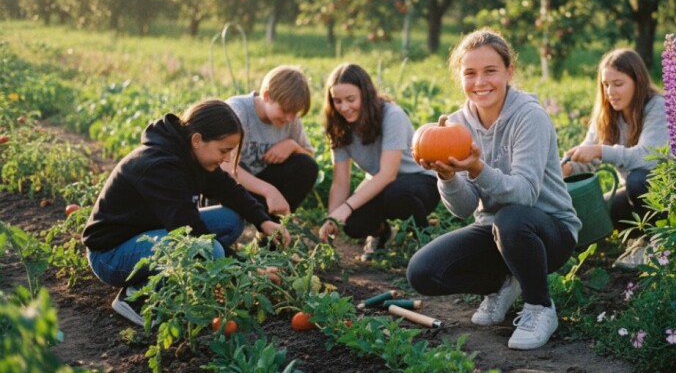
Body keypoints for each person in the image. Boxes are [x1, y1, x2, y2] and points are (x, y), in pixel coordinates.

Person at [406, 28, 581, 350]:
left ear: (509, 72)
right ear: (460, 77)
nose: (480, 82)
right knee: (423, 273)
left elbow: (526, 194)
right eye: (470, 73)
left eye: (490, 71)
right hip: (495, 230)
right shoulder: (458, 125)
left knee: (512, 219)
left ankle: (539, 307)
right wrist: (447, 177)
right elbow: (462, 209)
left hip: (549, 231)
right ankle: (503, 283)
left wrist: (477, 168)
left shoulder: (530, 117)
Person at [82, 99, 291, 327]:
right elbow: (189, 233)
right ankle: (137, 296)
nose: (228, 159)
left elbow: (228, 189)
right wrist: (246, 269)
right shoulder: (160, 166)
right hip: (111, 255)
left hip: (148, 234)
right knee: (210, 250)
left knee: (230, 220)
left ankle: (165, 278)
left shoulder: (192, 154)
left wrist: (263, 221)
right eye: (224, 150)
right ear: (197, 140)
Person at [317, 63, 439, 261]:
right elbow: (340, 181)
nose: (344, 107)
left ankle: (424, 242)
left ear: (365, 94)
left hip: (419, 182)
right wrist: (333, 217)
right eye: (337, 101)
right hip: (381, 185)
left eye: (350, 99)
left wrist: (346, 207)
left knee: (397, 194)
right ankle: (381, 232)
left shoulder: (392, 115)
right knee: (352, 224)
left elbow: (388, 174)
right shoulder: (338, 126)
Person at [561, 48, 668, 270]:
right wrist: (569, 167)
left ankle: (658, 241)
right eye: (605, 84)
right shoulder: (606, 114)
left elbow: (648, 158)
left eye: (618, 84)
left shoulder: (657, 106)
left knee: (638, 180)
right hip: (632, 196)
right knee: (596, 212)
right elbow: (587, 153)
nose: (610, 91)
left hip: (666, 193)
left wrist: (602, 151)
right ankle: (638, 239)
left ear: (637, 82)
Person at [225, 65, 319, 220]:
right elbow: (225, 168)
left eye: (294, 113)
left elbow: (309, 158)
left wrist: (292, 146)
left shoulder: (291, 120)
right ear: (267, 96)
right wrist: (269, 191)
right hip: (231, 185)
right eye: (285, 110)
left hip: (260, 184)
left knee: (306, 166)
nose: (289, 118)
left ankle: (272, 231)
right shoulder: (237, 111)